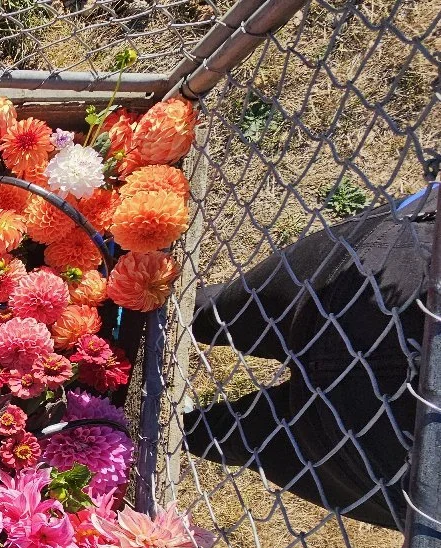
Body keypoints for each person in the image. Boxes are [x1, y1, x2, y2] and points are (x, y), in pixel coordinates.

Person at [183, 185, 436, 529]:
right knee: (207, 315)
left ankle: (126, 427)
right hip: (376, 276)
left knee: (200, 432)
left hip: (382, 459)